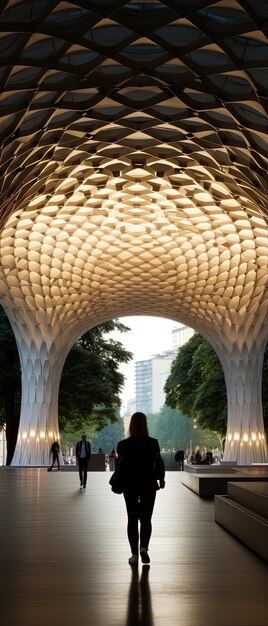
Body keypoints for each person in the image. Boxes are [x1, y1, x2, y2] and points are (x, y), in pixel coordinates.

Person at [116, 411, 165, 565]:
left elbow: (120, 466)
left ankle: (134, 555)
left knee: (132, 519)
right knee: (146, 519)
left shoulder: (123, 445)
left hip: (130, 485)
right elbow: (159, 462)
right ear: (145, 424)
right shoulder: (153, 443)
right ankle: (144, 548)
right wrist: (161, 479)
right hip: (148, 484)